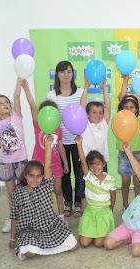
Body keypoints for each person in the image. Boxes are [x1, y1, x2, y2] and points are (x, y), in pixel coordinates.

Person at [9, 135, 78, 260]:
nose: (35, 179)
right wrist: (12, 237)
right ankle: (38, 247)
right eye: (31, 176)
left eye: (38, 176)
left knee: (73, 245)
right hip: (29, 231)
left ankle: (44, 248)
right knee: (29, 253)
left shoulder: (45, 186)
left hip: (50, 227)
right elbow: (14, 218)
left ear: (42, 177)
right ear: (25, 176)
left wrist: (47, 147)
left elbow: (47, 166)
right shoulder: (17, 194)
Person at [21, 80, 68, 219]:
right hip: (39, 166)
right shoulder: (38, 126)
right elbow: (32, 106)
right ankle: (38, 216)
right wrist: (27, 89)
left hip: (56, 166)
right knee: (38, 191)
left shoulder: (58, 130)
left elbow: (60, 147)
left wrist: (65, 163)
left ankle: (61, 216)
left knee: (58, 191)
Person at [46, 61, 84, 217]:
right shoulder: (51, 95)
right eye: (62, 72)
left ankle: (78, 203)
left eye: (69, 71)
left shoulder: (80, 92)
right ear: (57, 75)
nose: (66, 75)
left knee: (80, 173)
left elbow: (83, 114)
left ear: (72, 74)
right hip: (59, 142)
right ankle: (67, 203)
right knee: (64, 173)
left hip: (77, 140)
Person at [0, 79, 28, 233]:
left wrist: (19, 81)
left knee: (24, 189)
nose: (6, 104)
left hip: (20, 161)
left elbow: (17, 97)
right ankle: (13, 218)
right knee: (11, 193)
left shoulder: (16, 117)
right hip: (6, 163)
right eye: (1, 103)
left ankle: (26, 216)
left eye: (7, 102)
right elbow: (0, 144)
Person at [75, 135, 116, 248]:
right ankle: (92, 231)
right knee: (84, 243)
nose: (95, 167)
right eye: (91, 165)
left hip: (103, 212)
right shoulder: (89, 177)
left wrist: (110, 209)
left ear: (103, 164)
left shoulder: (110, 180)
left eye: (98, 164)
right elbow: (83, 161)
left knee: (99, 244)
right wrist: (79, 144)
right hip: (90, 212)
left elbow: (113, 196)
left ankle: (98, 233)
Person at [79, 78, 111, 211]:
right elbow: (81, 106)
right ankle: (84, 212)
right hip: (87, 164)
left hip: (101, 163)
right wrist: (86, 88)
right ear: (87, 114)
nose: (98, 115)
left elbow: (108, 106)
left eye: (100, 113)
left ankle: (103, 211)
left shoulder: (104, 124)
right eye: (94, 112)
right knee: (85, 190)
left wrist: (104, 90)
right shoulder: (84, 125)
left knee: (103, 188)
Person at [116, 77, 140, 209]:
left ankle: (137, 205)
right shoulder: (119, 118)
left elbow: (138, 101)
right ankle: (126, 203)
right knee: (125, 182)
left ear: (136, 110)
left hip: (137, 154)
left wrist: (137, 90)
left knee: (138, 182)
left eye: (132, 107)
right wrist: (125, 82)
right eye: (126, 107)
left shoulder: (139, 119)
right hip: (123, 155)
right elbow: (122, 98)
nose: (129, 109)